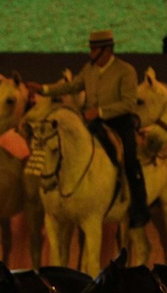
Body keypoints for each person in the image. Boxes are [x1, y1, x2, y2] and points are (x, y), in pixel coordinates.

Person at [28, 29, 149, 228]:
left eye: (94, 49)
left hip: (118, 122)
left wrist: (100, 111)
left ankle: (138, 207)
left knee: (130, 159)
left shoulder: (126, 71)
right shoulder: (89, 69)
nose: (90, 53)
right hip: (91, 121)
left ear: (107, 50)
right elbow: (72, 86)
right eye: (91, 49)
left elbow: (128, 103)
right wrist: (43, 89)